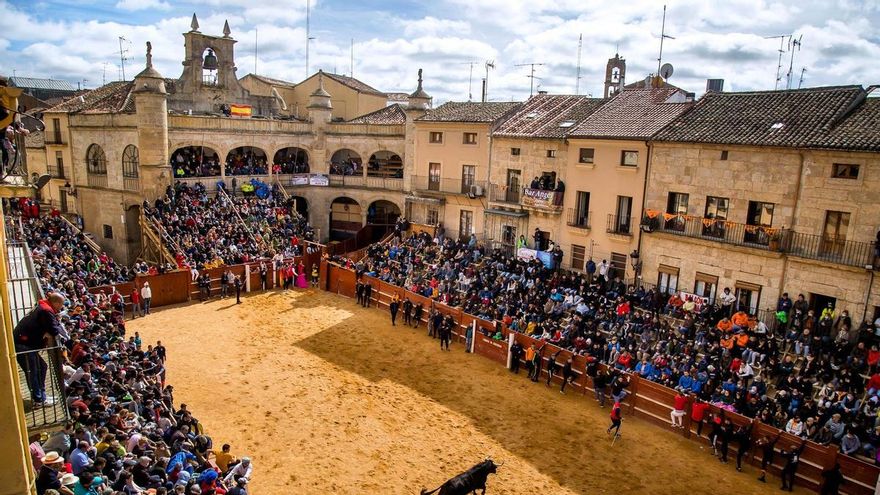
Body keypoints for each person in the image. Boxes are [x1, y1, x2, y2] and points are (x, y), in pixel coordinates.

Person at [14, 292, 65, 405]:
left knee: (42, 367)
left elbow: (51, 328)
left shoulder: (43, 306)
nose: (62, 307)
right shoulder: (46, 311)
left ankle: (42, 396)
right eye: (61, 304)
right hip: (24, 345)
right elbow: (54, 330)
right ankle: (38, 399)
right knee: (33, 372)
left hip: (26, 343)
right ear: (56, 303)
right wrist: (53, 326)